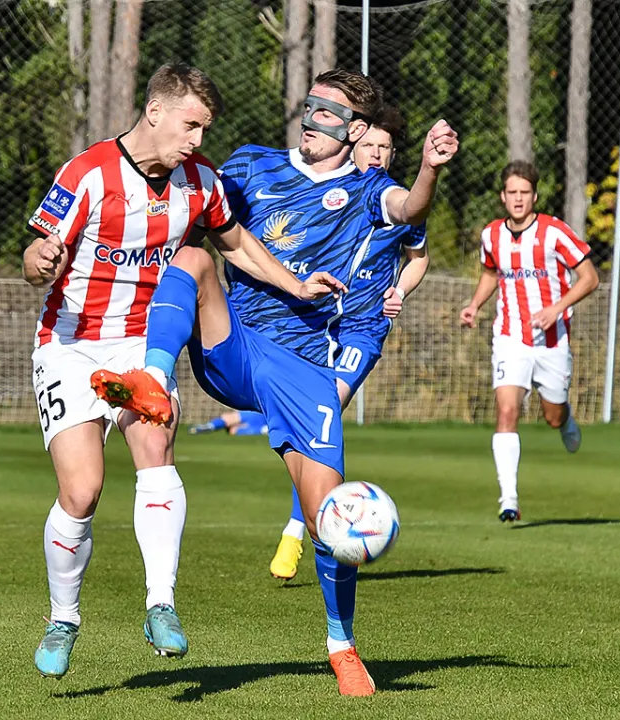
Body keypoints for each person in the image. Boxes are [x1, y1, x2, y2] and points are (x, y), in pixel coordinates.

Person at [91, 68, 458, 696]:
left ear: (358, 130)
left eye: (331, 113)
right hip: (232, 344)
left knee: (332, 519)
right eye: (312, 105)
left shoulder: (369, 189)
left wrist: (428, 169)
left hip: (305, 368)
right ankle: (153, 376)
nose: (314, 119)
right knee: (195, 260)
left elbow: (409, 209)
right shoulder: (249, 166)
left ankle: (341, 646)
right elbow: (194, 211)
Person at [21, 63, 340, 678]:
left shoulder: (201, 182)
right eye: (191, 125)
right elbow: (34, 255)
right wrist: (41, 259)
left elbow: (237, 243)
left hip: (144, 345)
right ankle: (64, 615)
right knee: (81, 490)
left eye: (205, 128)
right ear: (157, 111)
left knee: (156, 451)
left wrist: (295, 284)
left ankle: (160, 604)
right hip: (71, 345)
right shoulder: (87, 175)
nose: (197, 139)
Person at [267, 105, 431, 581]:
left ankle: (298, 530)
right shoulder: (330, 194)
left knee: (323, 413)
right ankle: (309, 521)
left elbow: (418, 258)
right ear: (352, 146)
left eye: (385, 148)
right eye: (369, 145)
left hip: (363, 329)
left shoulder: (397, 201)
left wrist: (399, 289)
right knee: (307, 428)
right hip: (316, 325)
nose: (377, 154)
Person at [458, 160, 600, 522]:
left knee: (552, 416)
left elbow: (589, 278)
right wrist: (474, 305)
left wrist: (557, 308)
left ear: (534, 196)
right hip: (510, 337)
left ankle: (565, 418)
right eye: (512, 193)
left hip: (552, 340)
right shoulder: (491, 235)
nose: (518, 199)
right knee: (506, 410)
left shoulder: (554, 232)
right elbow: (491, 273)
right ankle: (509, 499)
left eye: (525, 193)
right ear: (503, 197)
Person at [188, 410, 269, 436]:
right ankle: (211, 426)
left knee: (229, 421)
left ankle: (211, 426)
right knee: (233, 430)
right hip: (263, 416)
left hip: (259, 414)